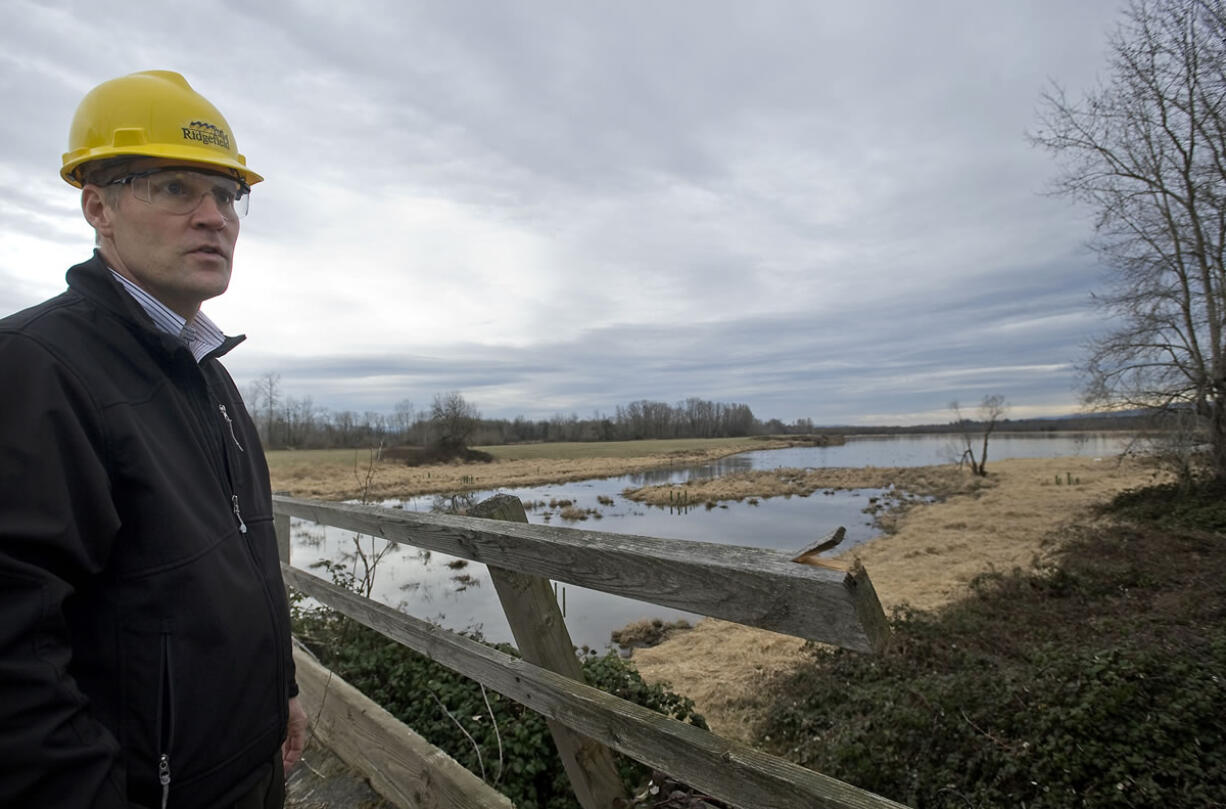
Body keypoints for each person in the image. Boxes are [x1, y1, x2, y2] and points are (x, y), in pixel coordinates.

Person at [0, 70, 306, 809]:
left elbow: (238, 564)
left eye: (228, 195)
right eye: (175, 188)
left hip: (246, 773)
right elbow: (14, 656)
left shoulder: (206, 371)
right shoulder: (36, 368)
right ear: (97, 206)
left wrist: (282, 692)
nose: (215, 217)